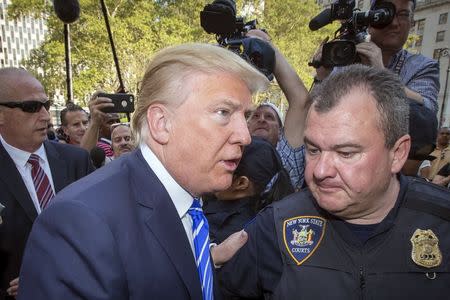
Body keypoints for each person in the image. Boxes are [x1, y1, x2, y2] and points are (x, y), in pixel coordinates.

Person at [18, 43, 268, 299]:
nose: (245, 136)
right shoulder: (80, 222)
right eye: (223, 112)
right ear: (161, 123)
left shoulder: (188, 199)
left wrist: (206, 260)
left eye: (245, 116)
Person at [217, 64, 450, 299]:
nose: (320, 171)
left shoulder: (442, 219)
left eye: (346, 153)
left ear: (398, 153)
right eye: (313, 149)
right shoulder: (275, 226)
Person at [0, 67, 94, 299]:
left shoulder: (77, 161)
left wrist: (52, 275)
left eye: (46, 105)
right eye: (31, 107)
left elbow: (101, 232)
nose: (44, 116)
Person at [315, 0, 440, 114]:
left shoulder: (424, 66)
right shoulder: (342, 59)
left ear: (411, 23)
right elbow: (315, 114)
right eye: (385, 13)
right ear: (370, 20)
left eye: (403, 15)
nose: (394, 23)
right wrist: (322, 77)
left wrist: (381, 74)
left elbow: (428, 112)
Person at [245, 30, 310, 190]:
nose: (261, 119)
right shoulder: (231, 151)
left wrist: (267, 47)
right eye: (256, 116)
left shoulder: (286, 161)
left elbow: (301, 100)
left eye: (269, 117)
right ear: (245, 127)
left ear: (281, 132)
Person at [205, 137, 294, 244]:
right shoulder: (269, 223)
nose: (212, 168)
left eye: (224, 165)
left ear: (241, 183)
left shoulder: (220, 229)